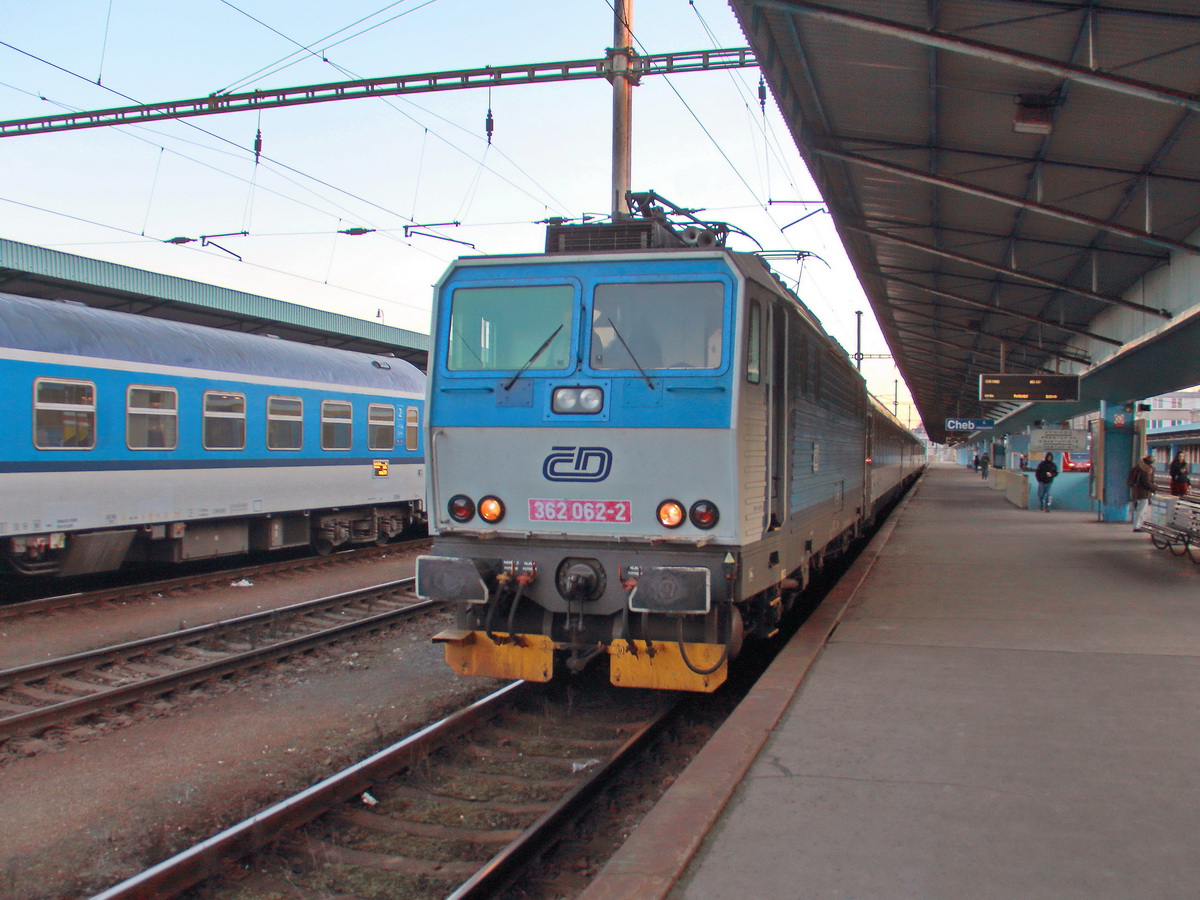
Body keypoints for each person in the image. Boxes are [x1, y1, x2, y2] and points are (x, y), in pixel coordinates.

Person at [1128, 454, 1157, 532]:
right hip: (1143, 492)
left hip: (1138, 492)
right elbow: (1146, 483)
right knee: (1141, 510)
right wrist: (1154, 487)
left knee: (1140, 509)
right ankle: (1137, 526)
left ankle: (1139, 525)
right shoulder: (1145, 470)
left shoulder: (1138, 468)